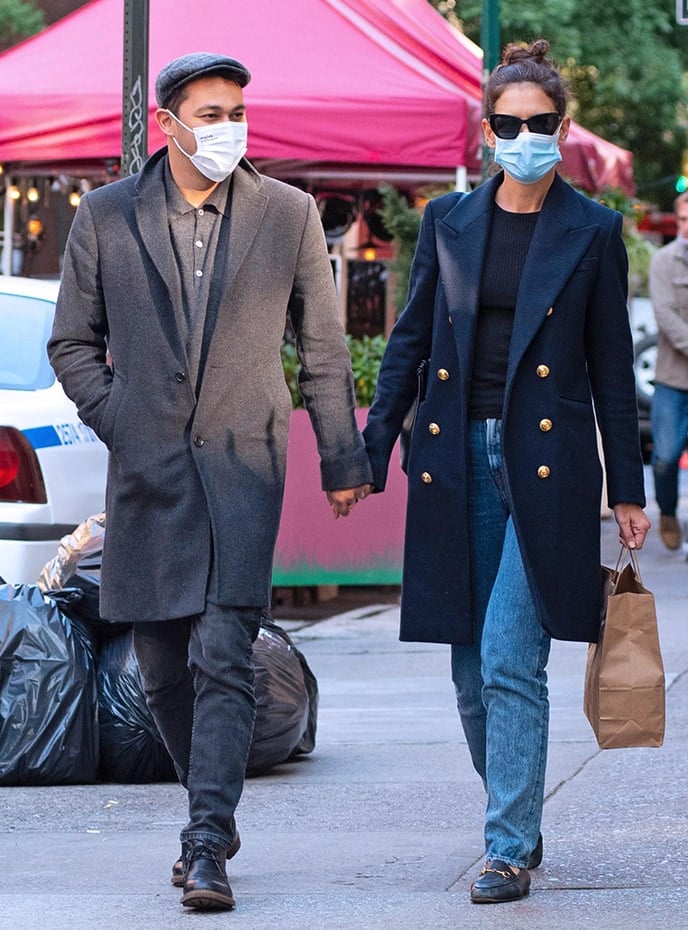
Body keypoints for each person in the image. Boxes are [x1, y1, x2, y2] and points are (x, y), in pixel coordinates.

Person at [48, 52, 372, 912]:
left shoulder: (287, 213)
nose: (229, 126)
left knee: (224, 653)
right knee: (160, 664)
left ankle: (204, 844)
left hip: (245, 463)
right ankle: (212, 810)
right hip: (148, 469)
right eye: (211, 111)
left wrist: (342, 459)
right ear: (169, 122)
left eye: (237, 110)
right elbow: (71, 344)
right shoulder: (107, 216)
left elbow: (325, 347)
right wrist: (120, 417)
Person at [363, 39, 650, 904]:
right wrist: (371, 449)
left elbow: (609, 363)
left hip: (547, 468)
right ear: (486, 131)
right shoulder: (450, 223)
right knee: (466, 664)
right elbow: (410, 341)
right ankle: (512, 811)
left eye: (539, 122)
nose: (523, 134)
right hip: (454, 458)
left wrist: (627, 488)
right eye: (508, 122)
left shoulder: (593, 231)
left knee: (507, 657)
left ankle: (508, 847)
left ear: (559, 129)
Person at [648, 188, 688, 550]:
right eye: (683, 220)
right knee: (666, 456)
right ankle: (667, 511)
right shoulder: (664, 261)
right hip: (673, 377)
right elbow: (665, 316)